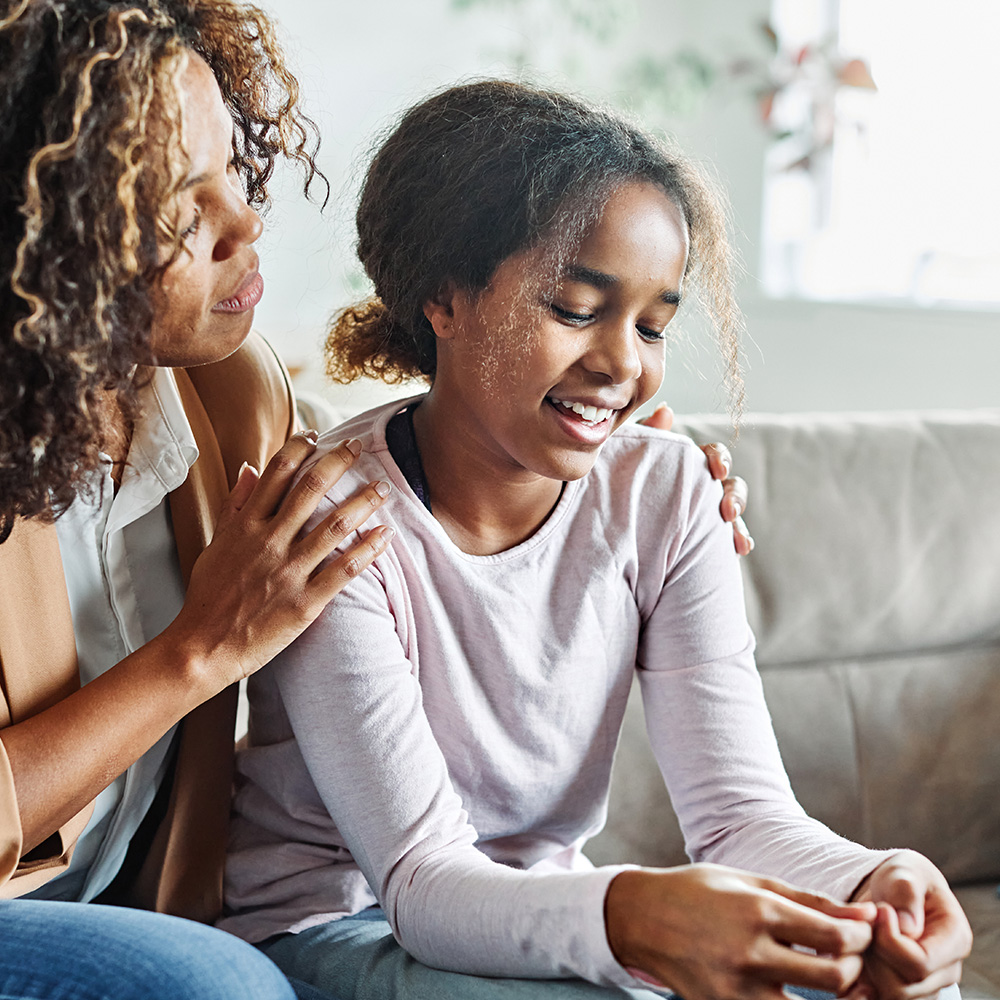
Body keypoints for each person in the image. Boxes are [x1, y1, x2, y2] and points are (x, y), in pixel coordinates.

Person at [221, 81, 972, 1000]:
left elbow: (739, 819)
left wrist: (871, 886)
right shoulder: (335, 524)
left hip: (543, 917)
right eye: (578, 310)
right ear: (442, 297)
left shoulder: (668, 494)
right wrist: (634, 919)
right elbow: (419, 882)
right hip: (339, 927)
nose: (623, 364)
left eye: (653, 325)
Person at [0, 2, 395, 998]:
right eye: (185, 205)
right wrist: (201, 648)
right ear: (42, 243)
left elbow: (414, 470)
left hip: (139, 917)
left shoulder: (226, 391)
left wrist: (629, 478)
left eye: (234, 167)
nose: (247, 221)